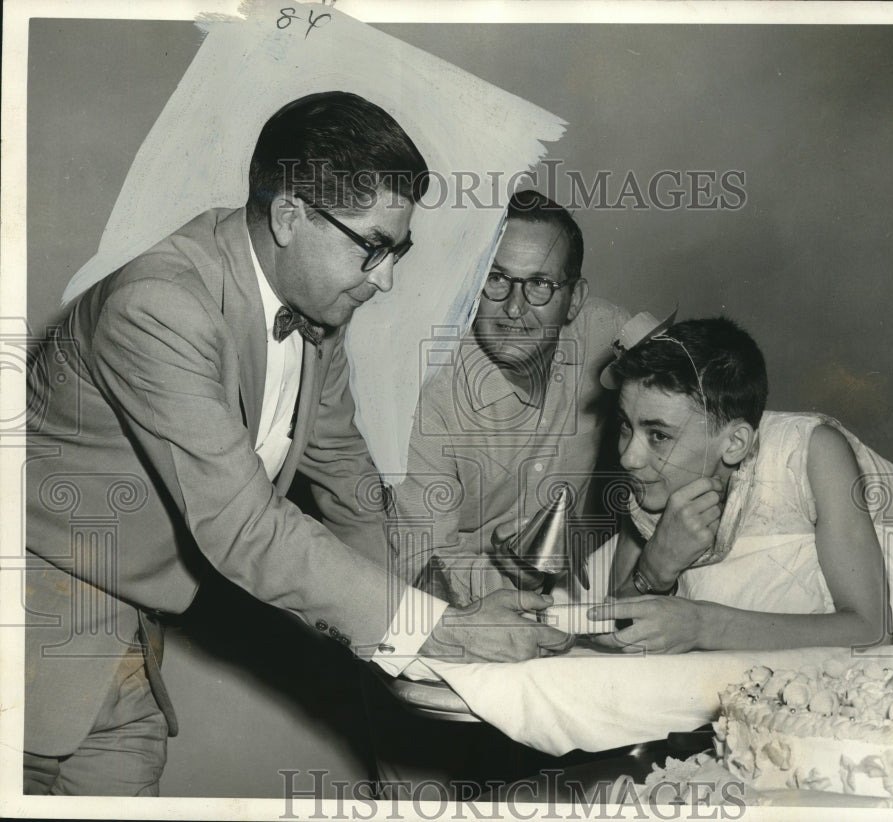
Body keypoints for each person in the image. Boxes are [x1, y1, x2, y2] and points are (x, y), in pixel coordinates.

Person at [22, 91, 565, 796]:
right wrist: (436, 633)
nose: (388, 279)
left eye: (398, 251)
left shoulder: (313, 315)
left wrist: (444, 611)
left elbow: (349, 483)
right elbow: (246, 527)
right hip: (33, 636)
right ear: (288, 216)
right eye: (372, 247)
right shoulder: (159, 307)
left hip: (119, 651)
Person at [588, 315, 893, 653]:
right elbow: (619, 615)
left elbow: (871, 629)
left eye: (658, 435)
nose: (628, 457)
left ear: (736, 443)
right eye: (626, 425)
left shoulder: (811, 450)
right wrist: (653, 571)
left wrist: (702, 624)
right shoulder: (650, 477)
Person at [390, 190, 631, 605]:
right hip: (459, 613)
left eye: (539, 284)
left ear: (574, 299)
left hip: (581, 591)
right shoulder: (423, 392)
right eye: (496, 279)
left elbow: (696, 391)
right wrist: (510, 574)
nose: (514, 309)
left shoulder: (607, 334)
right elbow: (417, 571)